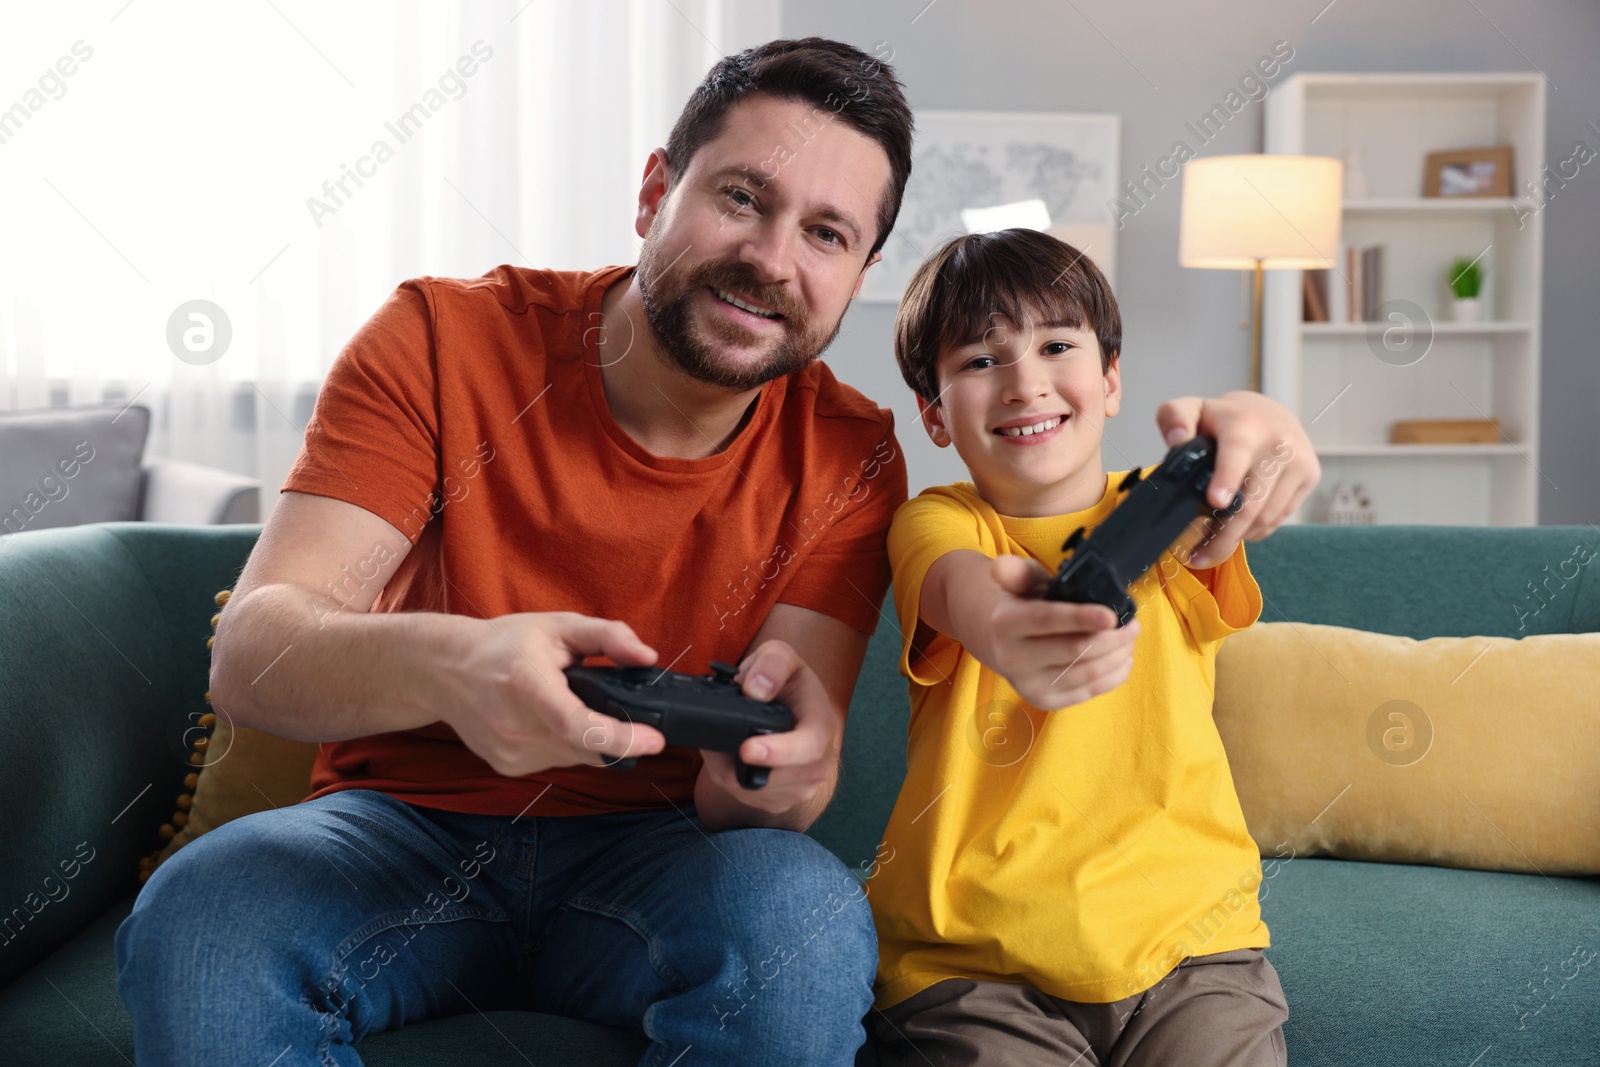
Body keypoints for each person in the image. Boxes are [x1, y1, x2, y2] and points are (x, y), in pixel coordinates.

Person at [113, 35, 1317, 1065]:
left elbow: (771, 786)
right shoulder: (440, 336)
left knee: (798, 920)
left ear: (855, 275)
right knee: (205, 916)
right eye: (741, 198)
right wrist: (456, 667)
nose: (772, 258)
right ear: (655, 193)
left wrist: (776, 767)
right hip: (392, 827)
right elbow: (257, 653)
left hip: (658, 852)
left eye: (828, 234)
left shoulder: (848, 453)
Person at [865, 228, 1317, 1067]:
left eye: (1057, 345)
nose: (1025, 381)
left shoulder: (1172, 518)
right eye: (979, 360)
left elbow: (1245, 462)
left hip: (1192, 950)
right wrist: (1010, 626)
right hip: (972, 966)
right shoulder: (938, 521)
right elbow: (967, 589)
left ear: (1110, 380)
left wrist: (1265, 421)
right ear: (933, 413)